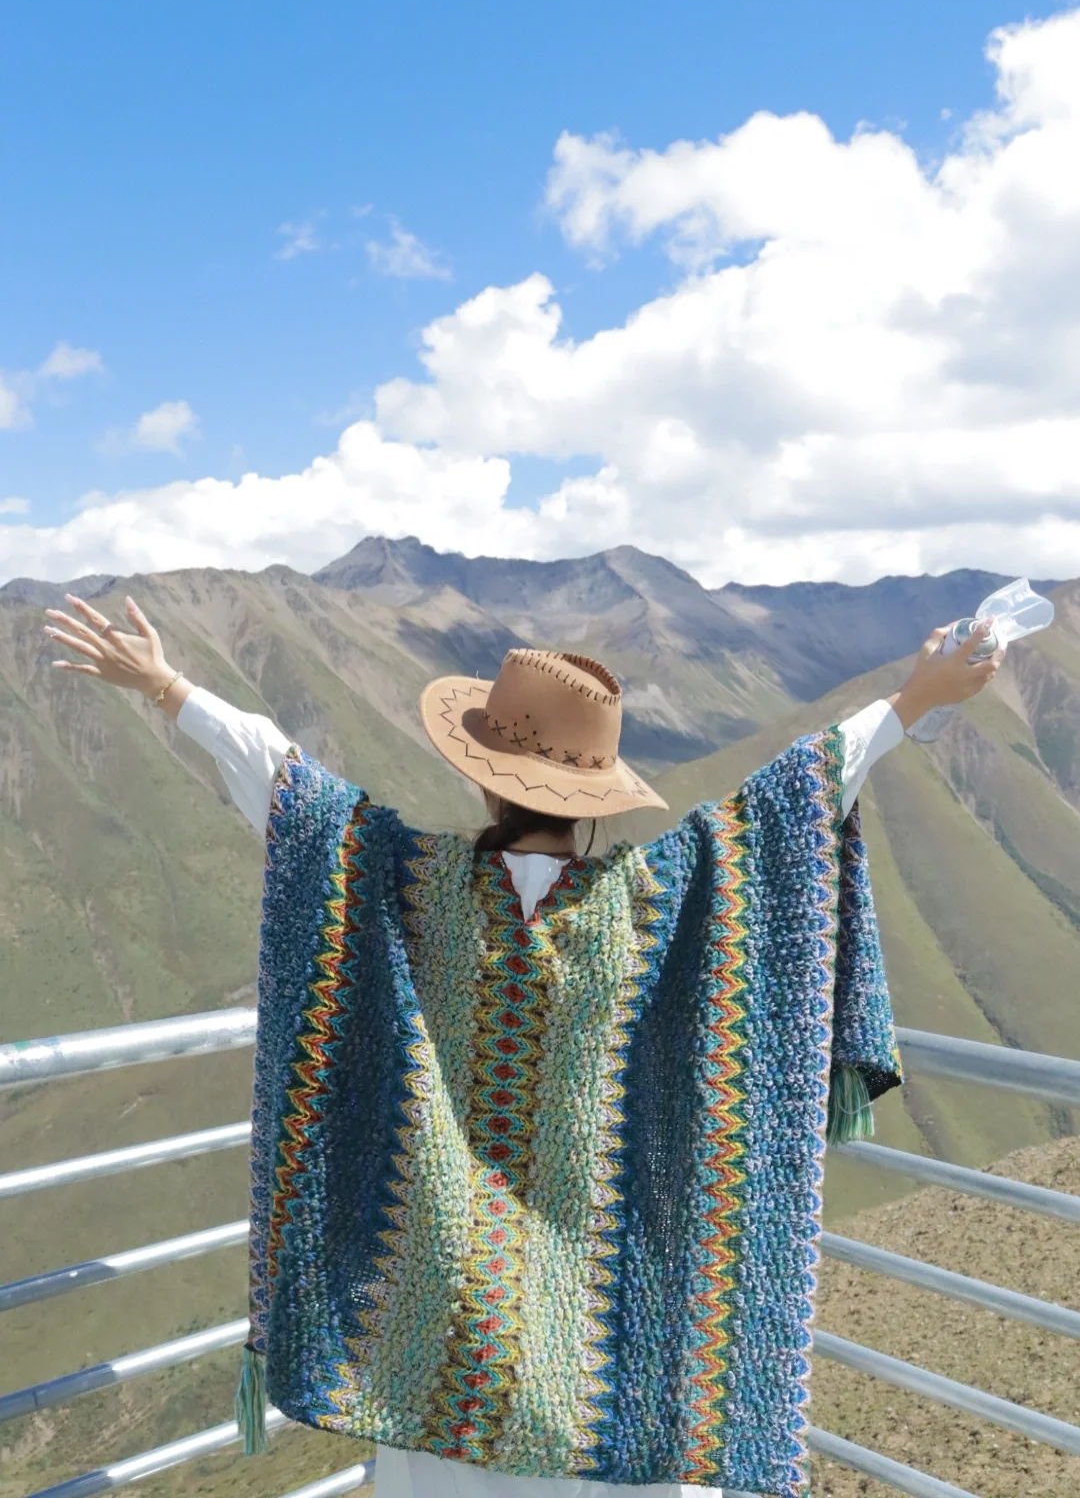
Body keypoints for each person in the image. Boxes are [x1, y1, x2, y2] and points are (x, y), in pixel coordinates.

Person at [45, 592, 1000, 1498]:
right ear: (595, 800)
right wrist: (916, 699)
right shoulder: (655, 903)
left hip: (438, 1327)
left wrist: (169, 689)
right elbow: (795, 796)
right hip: (609, 1356)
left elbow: (281, 779)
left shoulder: (406, 887)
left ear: (478, 773)